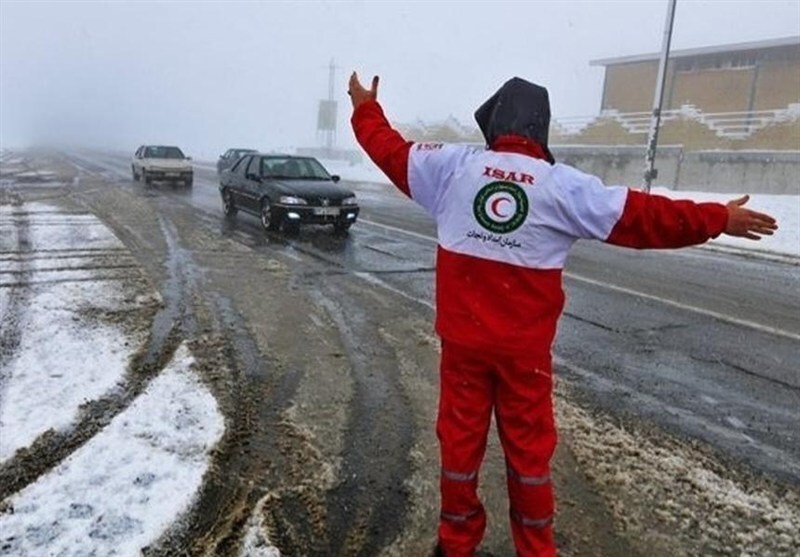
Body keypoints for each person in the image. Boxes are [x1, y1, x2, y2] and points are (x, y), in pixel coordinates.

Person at [347, 72, 778, 557]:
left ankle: (456, 542)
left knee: (459, 451)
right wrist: (718, 218)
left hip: (463, 351)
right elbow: (643, 217)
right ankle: (535, 547)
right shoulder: (563, 186)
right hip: (523, 359)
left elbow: (388, 149)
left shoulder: (451, 168)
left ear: (493, 121)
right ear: (540, 130)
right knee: (530, 457)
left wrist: (365, 107)